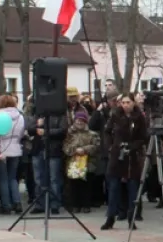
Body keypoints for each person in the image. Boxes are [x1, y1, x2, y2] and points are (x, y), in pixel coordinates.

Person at [102, 93, 149, 230]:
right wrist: (111, 146)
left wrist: (133, 146)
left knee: (133, 188)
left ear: (133, 103)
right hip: (117, 155)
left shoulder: (139, 117)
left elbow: (144, 137)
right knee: (114, 187)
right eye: (123, 102)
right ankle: (111, 217)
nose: (126, 105)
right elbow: (107, 132)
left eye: (128, 102)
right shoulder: (115, 116)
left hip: (132, 156)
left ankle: (131, 217)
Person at [62, 111, 100, 214]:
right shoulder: (69, 133)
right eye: (78, 120)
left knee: (86, 185)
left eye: (82, 120)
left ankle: (86, 205)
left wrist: (84, 149)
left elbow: (96, 146)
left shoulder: (92, 134)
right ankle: (75, 205)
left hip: (88, 162)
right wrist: (74, 150)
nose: (79, 122)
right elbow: (65, 146)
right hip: (73, 162)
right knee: (74, 184)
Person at [0, 94, 26, 214]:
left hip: (2, 148)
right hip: (16, 147)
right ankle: (17, 202)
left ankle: (6, 205)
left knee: (3, 178)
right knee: (13, 178)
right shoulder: (20, 116)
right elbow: (22, 132)